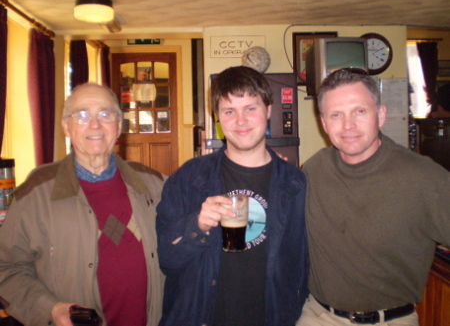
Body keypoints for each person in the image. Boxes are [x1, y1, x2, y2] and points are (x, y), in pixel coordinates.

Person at [0, 83, 165, 326]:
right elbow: (7, 269)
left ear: (119, 126)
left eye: (105, 114)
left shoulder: (155, 185)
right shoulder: (35, 194)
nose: (95, 124)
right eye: (82, 115)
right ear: (66, 126)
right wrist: (51, 310)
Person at [156, 66, 309, 326]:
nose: (241, 121)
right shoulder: (189, 178)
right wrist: (198, 226)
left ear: (269, 110)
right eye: (229, 111)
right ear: (218, 117)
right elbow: (167, 261)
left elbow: (302, 269)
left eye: (251, 108)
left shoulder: (295, 184)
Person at [297, 69, 450, 326]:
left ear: (380, 115)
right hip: (318, 316)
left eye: (359, 111)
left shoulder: (425, 177)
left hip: (391, 320)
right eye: (336, 115)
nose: (348, 125)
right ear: (324, 123)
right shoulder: (313, 170)